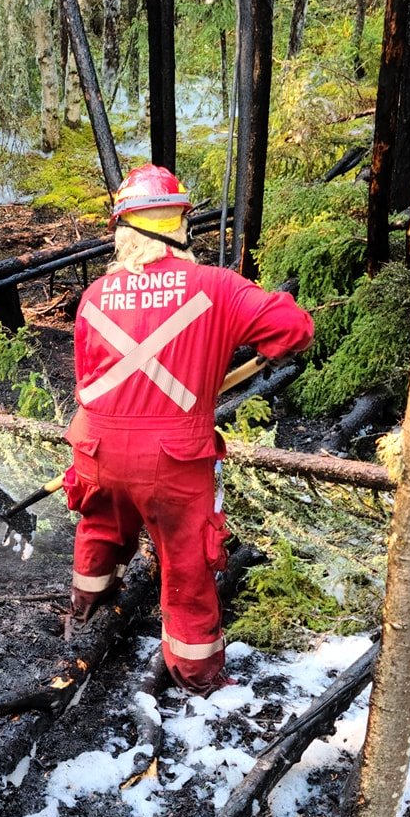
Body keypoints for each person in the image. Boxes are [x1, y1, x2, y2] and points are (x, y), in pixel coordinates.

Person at [65, 163, 315, 694]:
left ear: (123, 229)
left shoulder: (95, 295)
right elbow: (295, 329)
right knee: (186, 562)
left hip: (93, 445)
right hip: (172, 459)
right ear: (179, 223)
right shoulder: (216, 287)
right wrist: (257, 346)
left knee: (100, 528)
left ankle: (84, 611)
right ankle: (198, 675)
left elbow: (88, 381)